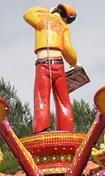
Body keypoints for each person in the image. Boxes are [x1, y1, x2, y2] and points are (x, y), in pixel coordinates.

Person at [24, 4, 78, 133]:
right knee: (63, 98)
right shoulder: (64, 27)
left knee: (42, 98)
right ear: (66, 18)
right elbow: (67, 48)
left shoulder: (41, 19)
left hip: (43, 63)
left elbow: (28, 14)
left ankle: (41, 129)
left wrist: (48, 11)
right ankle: (66, 129)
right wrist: (74, 62)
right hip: (59, 64)